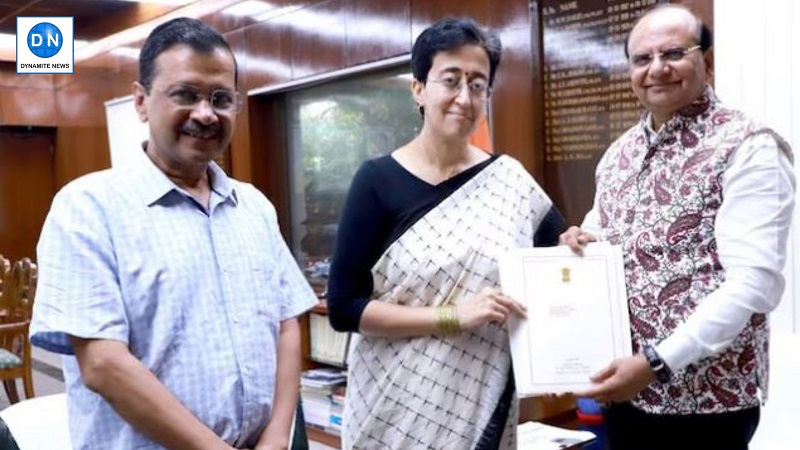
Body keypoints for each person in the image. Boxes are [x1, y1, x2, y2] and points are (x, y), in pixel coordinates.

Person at [30, 18, 317, 450]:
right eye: (185, 94)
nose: (205, 113)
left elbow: (286, 324)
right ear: (142, 102)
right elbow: (103, 364)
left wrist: (278, 437)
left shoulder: (254, 206)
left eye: (221, 98)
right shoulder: (88, 208)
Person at [560, 5, 795, 450]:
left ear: (707, 61)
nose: (657, 69)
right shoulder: (619, 153)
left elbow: (755, 284)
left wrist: (656, 362)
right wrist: (581, 239)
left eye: (673, 53)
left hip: (707, 403)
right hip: (625, 393)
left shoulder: (749, 146)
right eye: (642, 59)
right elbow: (602, 229)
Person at [327, 17, 565, 449]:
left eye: (478, 84)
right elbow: (345, 308)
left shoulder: (509, 179)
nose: (464, 97)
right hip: (391, 408)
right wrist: (455, 316)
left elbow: (555, 267)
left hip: (481, 401)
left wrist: (576, 248)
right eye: (450, 80)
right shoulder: (377, 180)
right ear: (418, 89)